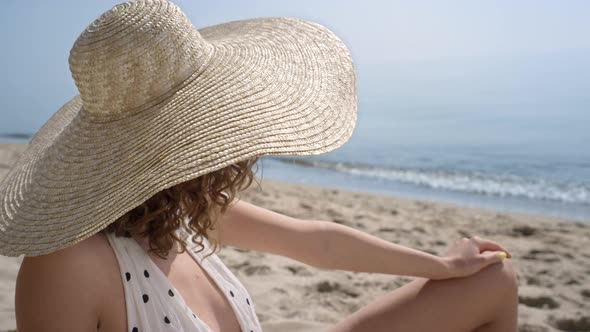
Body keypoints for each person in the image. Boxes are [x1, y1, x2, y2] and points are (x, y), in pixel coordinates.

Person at [1, 1, 518, 331]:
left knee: (493, 279)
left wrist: (443, 266)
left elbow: (319, 243)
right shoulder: (67, 266)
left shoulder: (174, 210)